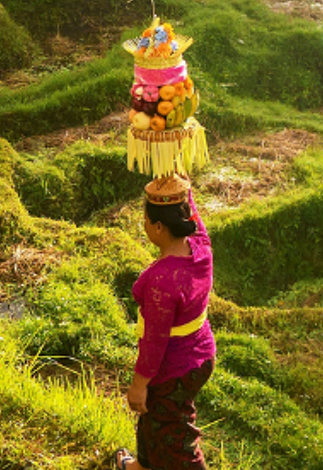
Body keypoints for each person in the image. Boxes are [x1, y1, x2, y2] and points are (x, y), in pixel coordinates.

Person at [114, 175, 215, 470]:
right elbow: (193, 216)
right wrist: (182, 187)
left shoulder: (160, 280)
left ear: (158, 227)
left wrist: (138, 386)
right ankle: (141, 466)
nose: (144, 225)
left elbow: (155, 344)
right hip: (201, 356)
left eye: (145, 220)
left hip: (174, 369)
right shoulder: (200, 247)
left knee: (176, 436)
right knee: (154, 419)